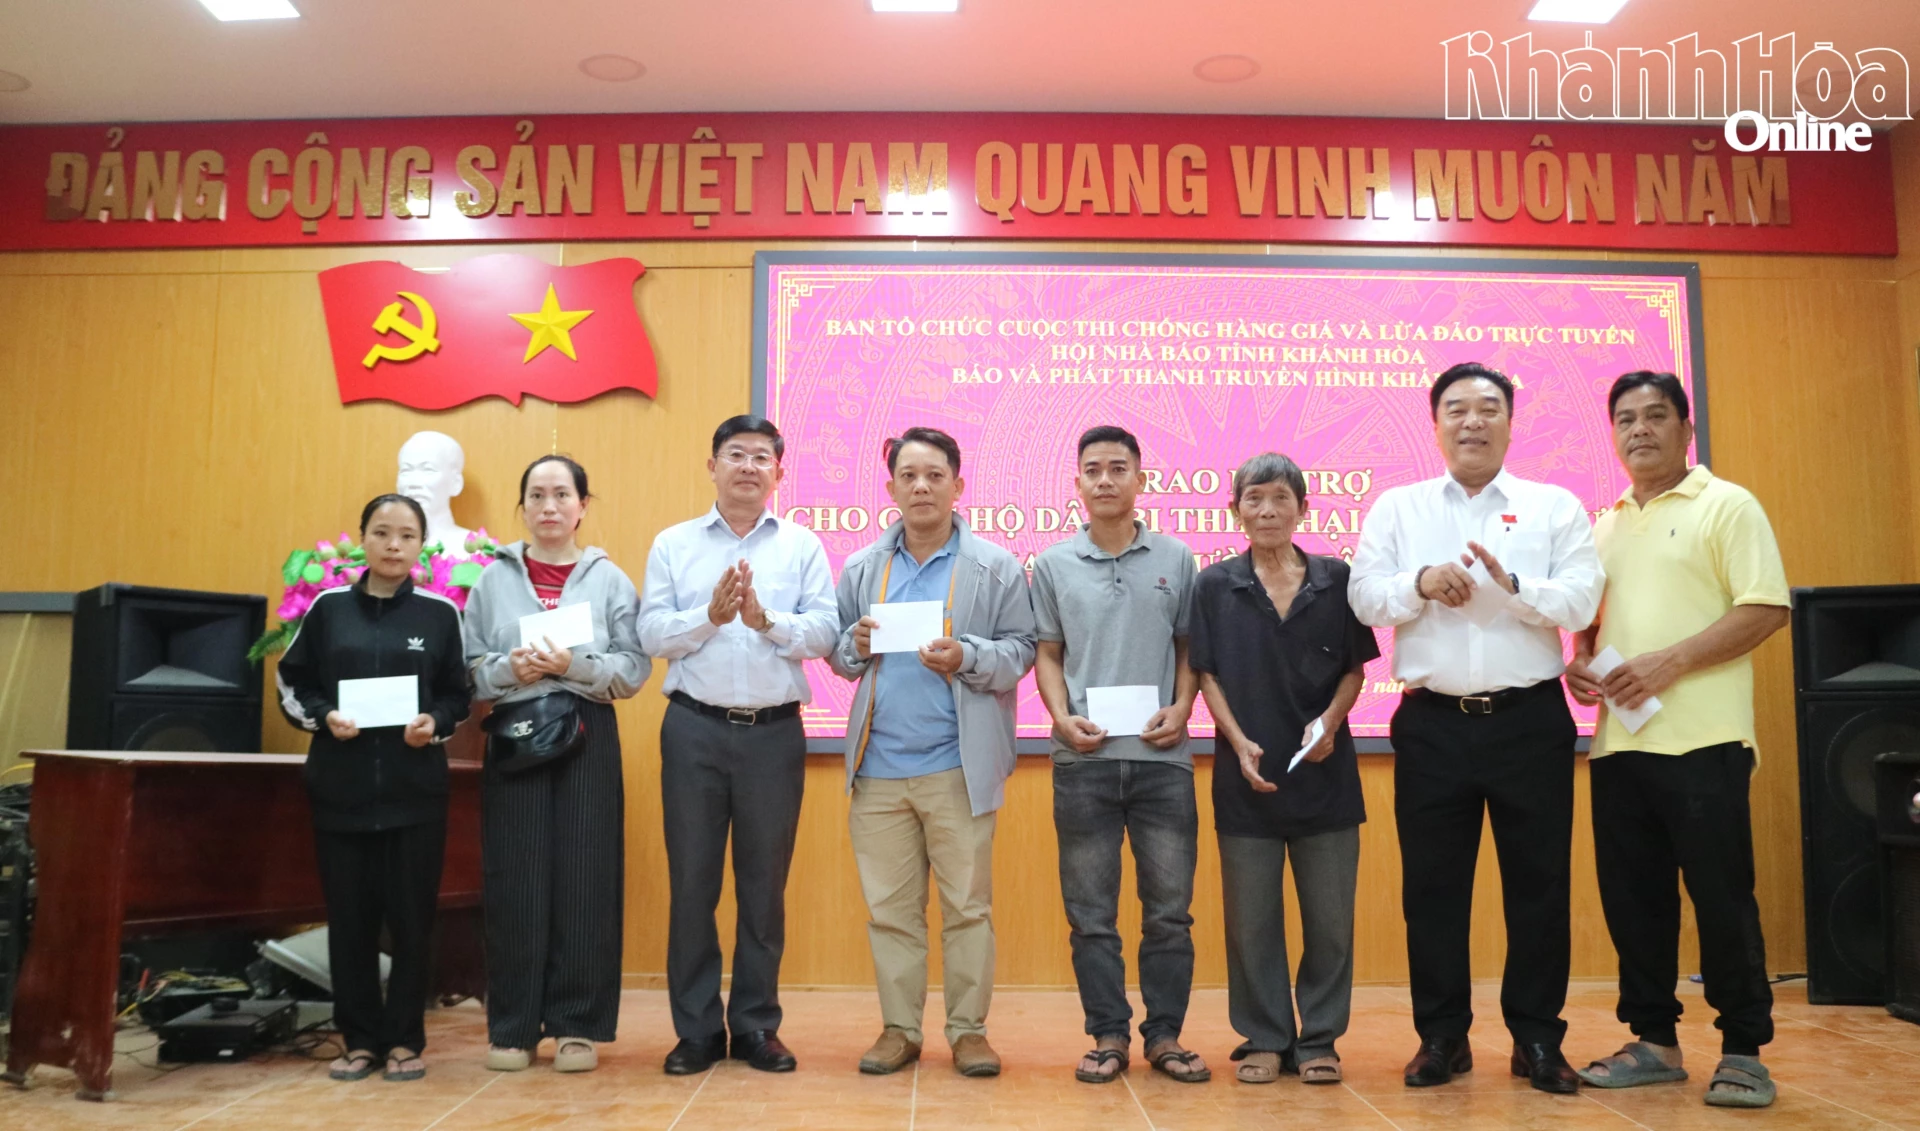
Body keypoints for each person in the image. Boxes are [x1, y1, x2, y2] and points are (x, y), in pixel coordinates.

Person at [1349, 361, 1604, 1094]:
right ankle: (1441, 1036)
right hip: (1432, 725)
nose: (1472, 421)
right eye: (1456, 408)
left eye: (1488, 407)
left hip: (1530, 722)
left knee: (1539, 885)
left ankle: (1535, 1037)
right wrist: (1419, 583)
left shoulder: (1554, 506)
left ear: (1510, 422)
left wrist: (1516, 588)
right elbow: (1366, 596)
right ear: (1435, 424)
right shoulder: (1399, 509)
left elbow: (1582, 600)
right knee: (1433, 889)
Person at [1566, 371, 1789, 1108]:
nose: (1639, 430)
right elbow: (1594, 629)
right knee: (1635, 903)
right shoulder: (1605, 523)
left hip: (1705, 741)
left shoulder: (1727, 505)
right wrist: (1581, 667)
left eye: (1655, 416)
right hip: (1620, 746)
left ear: (1686, 428)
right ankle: (1655, 1041)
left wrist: (1675, 658)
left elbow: (1764, 608)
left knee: (1723, 897)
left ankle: (1744, 1049)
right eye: (1625, 419)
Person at [828, 427, 1036, 1079]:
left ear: (958, 484)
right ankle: (899, 1028)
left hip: (958, 767)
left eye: (934, 474)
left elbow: (1022, 651)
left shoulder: (996, 565)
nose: (921, 486)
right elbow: (838, 654)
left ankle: (969, 1031)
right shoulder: (864, 566)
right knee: (891, 912)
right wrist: (856, 644)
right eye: (909, 475)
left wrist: (968, 655)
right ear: (890, 486)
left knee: (967, 908)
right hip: (878, 771)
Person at [638, 415, 839, 1075]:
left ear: (779, 472)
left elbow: (827, 634)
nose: (748, 466)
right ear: (712, 465)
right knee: (693, 883)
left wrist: (764, 620)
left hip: (773, 734)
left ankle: (755, 1025)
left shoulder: (803, 545)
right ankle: (695, 1029)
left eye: (761, 456)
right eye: (735, 454)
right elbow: (651, 635)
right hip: (693, 728)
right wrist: (712, 617)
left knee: (763, 887)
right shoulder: (674, 544)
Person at [1191, 454, 1377, 1086]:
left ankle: (1320, 1037)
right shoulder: (1216, 585)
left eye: (1279, 499)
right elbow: (1206, 673)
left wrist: (1330, 721)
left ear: (1303, 507)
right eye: (1253, 499)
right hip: (1245, 780)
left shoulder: (1336, 579)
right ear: (1235, 510)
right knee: (1251, 924)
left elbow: (1356, 668)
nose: (1267, 511)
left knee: (1330, 921)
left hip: (1327, 779)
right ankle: (1266, 1037)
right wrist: (1237, 741)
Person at [276, 493, 471, 1084]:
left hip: (416, 795)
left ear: (420, 545)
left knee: (413, 922)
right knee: (351, 922)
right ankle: (359, 1040)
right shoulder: (329, 609)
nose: (393, 545)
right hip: (342, 792)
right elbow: (293, 683)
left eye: (406, 536)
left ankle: (406, 1041)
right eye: (382, 533)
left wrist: (434, 724)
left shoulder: (439, 614)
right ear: (362, 538)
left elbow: (457, 696)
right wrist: (324, 716)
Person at [1031, 425, 1205, 1085]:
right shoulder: (1051, 564)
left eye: (1118, 468)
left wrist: (1183, 706)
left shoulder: (1178, 558)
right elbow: (1048, 651)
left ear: (1140, 479)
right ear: (1077, 482)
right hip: (1084, 761)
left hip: (1164, 761)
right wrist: (1058, 716)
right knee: (1090, 913)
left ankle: (1165, 1036)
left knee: (1169, 911)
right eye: (1093, 469)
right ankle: (1107, 1033)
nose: (1105, 479)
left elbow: (1190, 646)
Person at [464, 455, 649, 1074]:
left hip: (586, 728)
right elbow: (467, 667)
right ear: (523, 508)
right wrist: (505, 671)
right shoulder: (492, 580)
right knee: (515, 876)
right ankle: (514, 1026)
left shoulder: (609, 579)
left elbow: (633, 668)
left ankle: (577, 1025)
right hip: (516, 729)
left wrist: (573, 665)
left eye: (561, 494)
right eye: (537, 495)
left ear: (582, 506)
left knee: (586, 876)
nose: (549, 506)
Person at [395, 430, 474, 551]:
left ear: (456, 483)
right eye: (406, 471)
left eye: (428, 470)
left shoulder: (476, 550)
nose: (414, 483)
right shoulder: (381, 550)